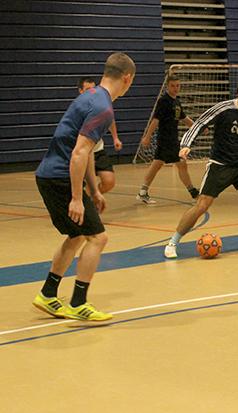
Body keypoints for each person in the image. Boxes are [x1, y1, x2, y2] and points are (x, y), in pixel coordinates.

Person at [33, 52, 135, 321]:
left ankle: (47, 294)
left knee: (77, 236)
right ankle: (78, 303)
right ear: (127, 79)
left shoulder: (90, 97)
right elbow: (78, 154)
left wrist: (95, 189)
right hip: (60, 178)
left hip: (50, 175)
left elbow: (88, 152)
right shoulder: (103, 108)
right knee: (98, 238)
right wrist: (77, 198)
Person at [164, 77, 238, 258]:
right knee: (201, 206)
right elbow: (199, 124)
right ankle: (173, 241)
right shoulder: (224, 109)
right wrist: (187, 144)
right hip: (219, 165)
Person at [137, 74, 199, 204]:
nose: (176, 88)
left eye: (178, 86)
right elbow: (155, 120)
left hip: (172, 138)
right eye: (173, 86)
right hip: (166, 139)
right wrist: (147, 136)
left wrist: (198, 127)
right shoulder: (164, 101)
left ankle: (143, 192)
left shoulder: (176, 101)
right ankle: (193, 193)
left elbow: (184, 118)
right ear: (167, 86)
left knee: (157, 164)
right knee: (181, 164)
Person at [78, 77, 123, 193]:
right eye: (87, 89)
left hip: (98, 150)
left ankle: (90, 199)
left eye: (93, 89)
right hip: (83, 151)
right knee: (84, 182)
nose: (91, 92)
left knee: (109, 181)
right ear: (80, 91)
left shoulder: (100, 104)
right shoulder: (77, 108)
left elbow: (109, 119)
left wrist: (115, 138)